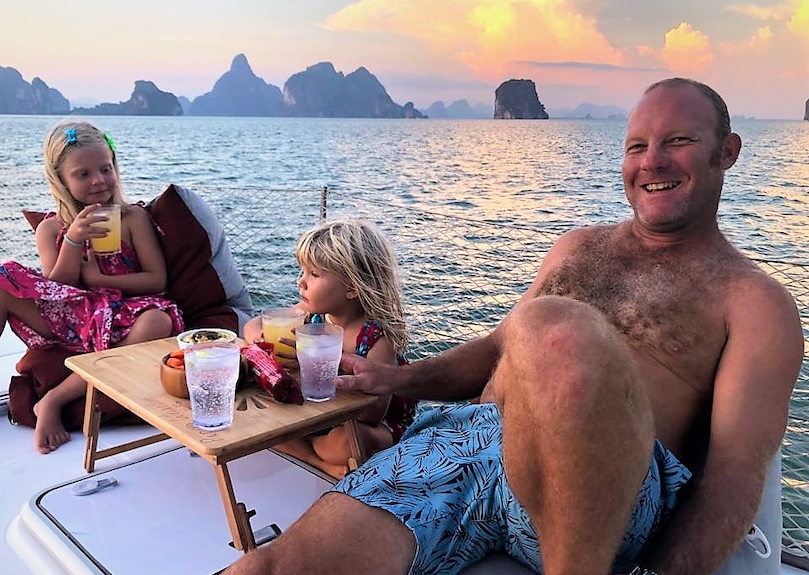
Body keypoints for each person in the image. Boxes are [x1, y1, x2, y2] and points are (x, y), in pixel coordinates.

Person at [224, 77, 804, 575]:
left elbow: (735, 475)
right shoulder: (576, 247)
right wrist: (393, 381)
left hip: (607, 487)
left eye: (677, 142)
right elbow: (496, 351)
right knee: (269, 566)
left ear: (725, 152)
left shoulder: (755, 303)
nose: (651, 161)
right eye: (636, 146)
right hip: (466, 448)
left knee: (554, 326)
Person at [0, 119, 184, 454]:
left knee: (158, 321)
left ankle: (54, 401)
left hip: (124, 316)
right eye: (83, 174)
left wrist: (99, 279)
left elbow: (157, 281)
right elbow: (56, 288)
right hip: (73, 316)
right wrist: (72, 240)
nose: (99, 180)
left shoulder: (132, 218)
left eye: (105, 169)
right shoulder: (51, 228)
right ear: (60, 180)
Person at [243, 218, 416, 478]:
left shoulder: (377, 338)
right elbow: (253, 324)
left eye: (314, 274)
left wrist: (323, 362)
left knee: (346, 443)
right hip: (317, 414)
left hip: (370, 426)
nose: (301, 282)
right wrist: (259, 340)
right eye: (302, 271)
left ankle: (308, 450)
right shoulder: (310, 314)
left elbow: (372, 412)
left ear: (351, 288)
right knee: (255, 417)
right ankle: (319, 462)